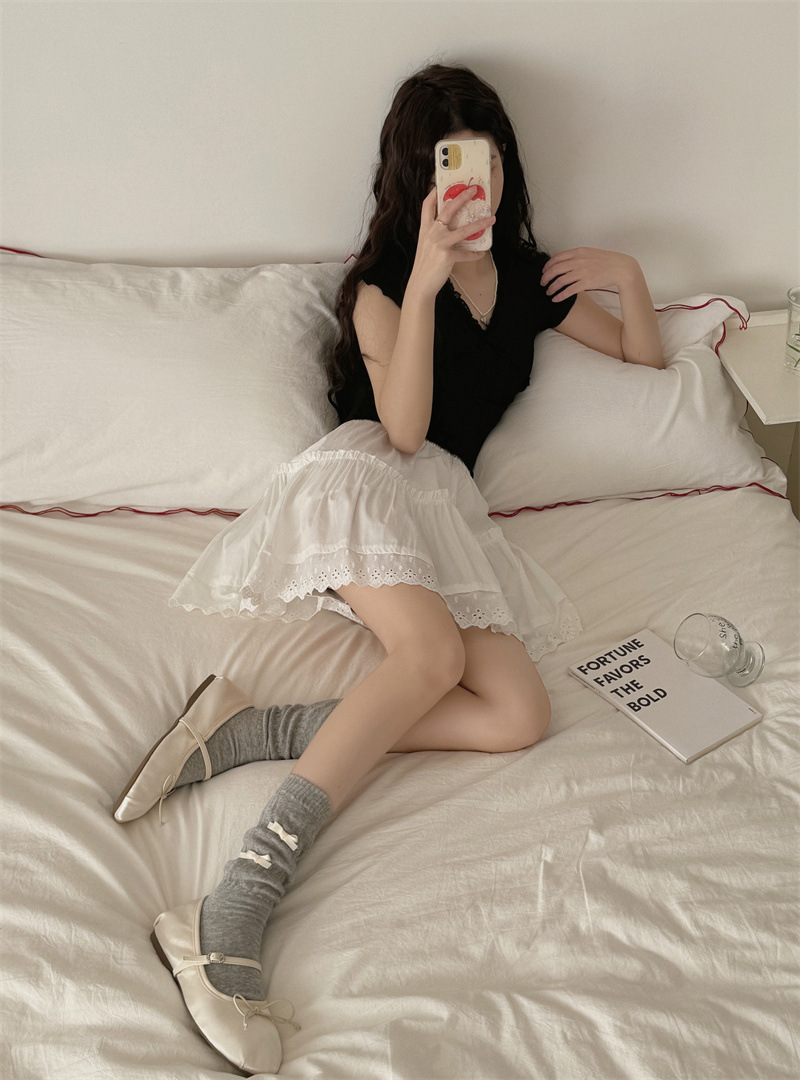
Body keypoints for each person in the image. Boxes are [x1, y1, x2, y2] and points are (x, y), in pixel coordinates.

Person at [113, 63, 664, 1074]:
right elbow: (404, 430)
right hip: (367, 482)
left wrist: (626, 280)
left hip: (442, 511)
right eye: (451, 166)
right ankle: (234, 902)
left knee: (516, 714)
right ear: (417, 177)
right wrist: (421, 284)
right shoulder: (377, 290)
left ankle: (252, 731)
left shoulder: (528, 279)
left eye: (488, 163)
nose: (474, 186)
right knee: (430, 657)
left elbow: (644, 361)